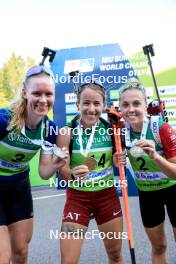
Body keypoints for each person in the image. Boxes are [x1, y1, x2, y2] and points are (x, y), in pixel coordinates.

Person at [0, 65, 67, 264]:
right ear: (25, 93)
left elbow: (44, 172)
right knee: (3, 256)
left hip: (19, 189)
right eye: (37, 93)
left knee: (21, 252)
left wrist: (58, 163)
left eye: (49, 94)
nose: (43, 100)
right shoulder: (5, 120)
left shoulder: (49, 130)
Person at [56, 81, 125, 264]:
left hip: (107, 198)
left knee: (116, 255)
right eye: (86, 103)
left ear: (103, 105)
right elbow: (63, 170)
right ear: (77, 104)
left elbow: (118, 160)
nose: (91, 109)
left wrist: (119, 161)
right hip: (78, 200)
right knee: (68, 260)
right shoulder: (66, 132)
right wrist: (72, 176)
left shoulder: (112, 130)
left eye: (96, 103)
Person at [116, 79, 176, 264]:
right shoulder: (119, 132)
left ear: (145, 104)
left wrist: (156, 157)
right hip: (148, 195)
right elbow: (113, 157)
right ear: (120, 107)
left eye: (136, 103)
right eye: (125, 105)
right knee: (159, 247)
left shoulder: (161, 129)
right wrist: (116, 159)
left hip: (173, 191)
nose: (131, 109)